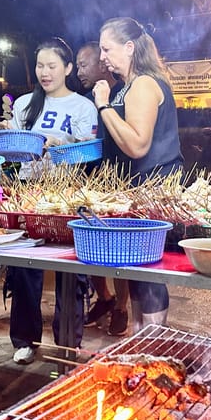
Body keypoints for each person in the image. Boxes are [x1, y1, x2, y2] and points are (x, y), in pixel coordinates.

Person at [6, 38, 97, 364]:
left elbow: (89, 151)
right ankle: (24, 339)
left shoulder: (83, 106)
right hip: (30, 189)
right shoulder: (23, 105)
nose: (44, 73)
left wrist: (63, 143)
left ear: (68, 68)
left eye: (52, 66)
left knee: (70, 269)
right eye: (40, 66)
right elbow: (14, 153)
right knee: (24, 267)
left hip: (69, 192)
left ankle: (67, 342)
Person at [92, 17, 183, 332]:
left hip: (154, 190)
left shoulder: (144, 84)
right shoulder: (125, 87)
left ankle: (154, 343)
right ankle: (142, 342)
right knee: (137, 272)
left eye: (107, 48)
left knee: (149, 275)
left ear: (129, 47)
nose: (102, 56)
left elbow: (137, 145)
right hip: (133, 190)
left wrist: (103, 106)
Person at [75, 41, 130, 336]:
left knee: (118, 246)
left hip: (120, 177)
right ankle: (104, 298)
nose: (80, 71)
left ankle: (122, 306)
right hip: (89, 178)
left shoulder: (123, 93)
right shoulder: (84, 101)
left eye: (84, 64)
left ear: (101, 63)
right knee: (91, 242)